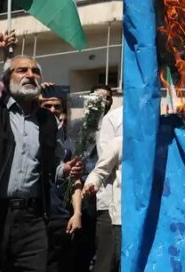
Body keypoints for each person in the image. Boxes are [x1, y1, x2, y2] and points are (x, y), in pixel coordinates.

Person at [0, 29, 82, 271]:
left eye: (35, 71)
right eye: (22, 70)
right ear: (7, 78)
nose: (30, 75)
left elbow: (50, 167)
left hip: (31, 221)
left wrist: (65, 170)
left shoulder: (48, 121)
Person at [42, 88, 87, 272]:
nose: (52, 110)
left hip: (60, 216)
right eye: (47, 106)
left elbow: (75, 181)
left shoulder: (69, 144)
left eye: (57, 106)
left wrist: (77, 213)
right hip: (36, 216)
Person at [93, 85, 121, 272]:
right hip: (109, 203)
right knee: (106, 261)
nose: (103, 101)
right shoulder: (113, 120)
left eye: (107, 97)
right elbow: (106, 162)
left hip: (132, 205)